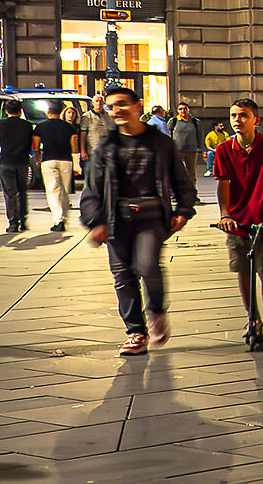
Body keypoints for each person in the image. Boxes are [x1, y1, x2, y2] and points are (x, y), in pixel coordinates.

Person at [80, 83, 197, 356]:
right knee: (122, 275)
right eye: (112, 106)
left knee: (147, 266)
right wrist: (94, 221)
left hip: (151, 216)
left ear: (138, 107)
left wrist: (184, 209)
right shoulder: (107, 145)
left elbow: (181, 180)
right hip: (115, 218)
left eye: (122, 104)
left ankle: (156, 311)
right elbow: (92, 188)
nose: (116, 110)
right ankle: (135, 332)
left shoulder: (161, 142)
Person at [211, 99, 263, 351]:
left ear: (255, 120)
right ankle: (252, 319)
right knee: (242, 271)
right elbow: (223, 183)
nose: (237, 120)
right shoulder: (224, 149)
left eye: (243, 115)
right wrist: (225, 214)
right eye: (233, 115)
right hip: (238, 220)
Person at [0, 101, 36, 233]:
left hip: (6, 161)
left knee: (10, 193)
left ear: (6, 111)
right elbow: (30, 142)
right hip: (22, 161)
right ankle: (23, 219)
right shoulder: (27, 125)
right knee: (22, 191)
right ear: (20, 111)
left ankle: (13, 222)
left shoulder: (0, 124)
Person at [34, 102, 83, 234]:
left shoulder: (40, 127)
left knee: (53, 190)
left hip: (48, 160)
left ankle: (58, 219)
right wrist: (76, 162)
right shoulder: (69, 127)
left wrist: (38, 159)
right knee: (65, 191)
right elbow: (74, 145)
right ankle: (64, 217)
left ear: (48, 112)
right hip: (66, 160)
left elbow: (37, 147)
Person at [169, 103, 205, 199]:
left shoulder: (195, 122)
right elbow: (168, 135)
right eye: (180, 109)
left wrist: (202, 149)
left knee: (191, 174)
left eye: (185, 109)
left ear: (189, 110)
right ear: (178, 111)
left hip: (191, 151)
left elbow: (200, 136)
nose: (183, 111)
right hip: (177, 151)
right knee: (177, 173)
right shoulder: (174, 121)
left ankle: (192, 194)